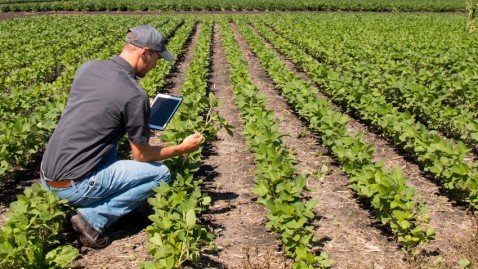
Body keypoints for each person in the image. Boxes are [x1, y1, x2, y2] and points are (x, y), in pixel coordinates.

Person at [39, 25, 203, 249]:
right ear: (145, 52)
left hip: (47, 175)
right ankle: (93, 219)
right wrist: (182, 148)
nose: (156, 64)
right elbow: (141, 156)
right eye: (157, 57)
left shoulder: (89, 67)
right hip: (72, 186)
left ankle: (94, 195)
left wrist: (140, 114)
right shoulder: (134, 95)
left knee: (110, 142)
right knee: (160, 174)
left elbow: (100, 112)